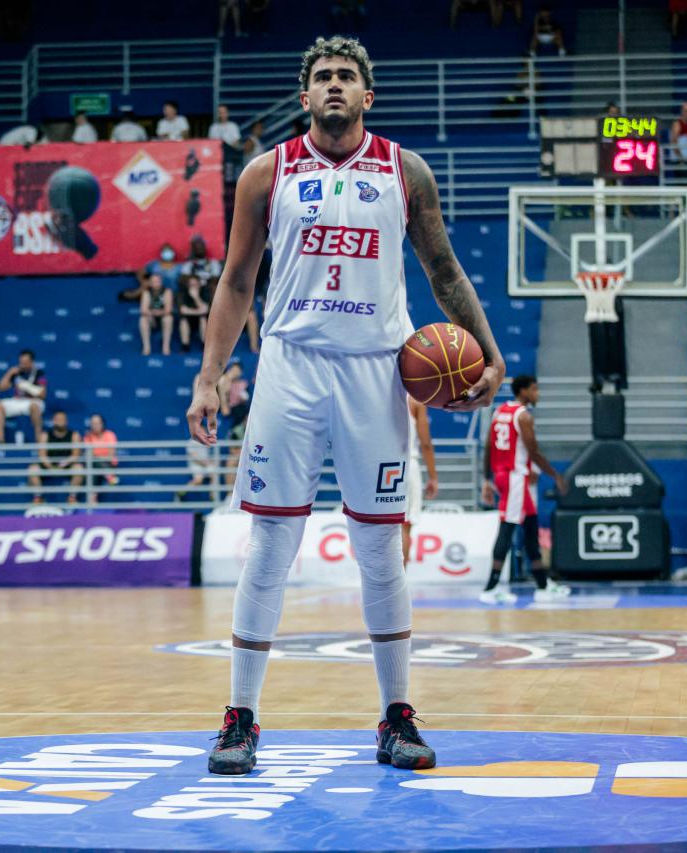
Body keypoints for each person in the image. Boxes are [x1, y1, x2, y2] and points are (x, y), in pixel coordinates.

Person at [186, 35, 505, 776]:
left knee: (379, 550)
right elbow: (236, 282)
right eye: (323, 77)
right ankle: (239, 719)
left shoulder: (406, 170)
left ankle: (397, 717)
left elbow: (444, 270)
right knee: (268, 546)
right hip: (289, 367)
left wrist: (489, 354)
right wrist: (210, 374)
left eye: (347, 77)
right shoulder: (267, 174)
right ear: (305, 97)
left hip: (376, 370)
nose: (334, 85)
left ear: (369, 95)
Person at [479, 375, 566, 605]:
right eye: (534, 390)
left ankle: (542, 585)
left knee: (530, 526)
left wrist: (486, 479)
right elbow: (534, 452)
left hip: (503, 476)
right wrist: (555, 475)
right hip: (514, 477)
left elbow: (488, 446)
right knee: (507, 530)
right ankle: (491, 587)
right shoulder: (524, 416)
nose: (537, 394)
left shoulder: (499, 412)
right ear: (524, 391)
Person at [401, 397, 439, 566]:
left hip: (381, 466)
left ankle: (380, 584)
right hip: (407, 465)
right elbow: (426, 443)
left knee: (383, 528)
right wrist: (433, 477)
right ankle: (397, 586)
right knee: (404, 527)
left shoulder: (378, 394)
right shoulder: (416, 401)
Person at [26, 410, 82, 503]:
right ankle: (38, 497)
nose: (60, 421)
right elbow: (42, 454)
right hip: (49, 465)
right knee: (33, 469)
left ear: (66, 421)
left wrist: (65, 463)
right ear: (53, 421)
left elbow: (75, 455)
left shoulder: (74, 435)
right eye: (58, 419)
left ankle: (72, 497)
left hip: (67, 465)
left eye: (62, 419)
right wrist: (50, 466)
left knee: (79, 468)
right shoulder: (45, 435)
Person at [0, 349, 48, 441]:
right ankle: (0, 440)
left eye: (25, 362)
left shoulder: (39, 373)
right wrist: (9, 373)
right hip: (18, 400)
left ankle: (39, 440)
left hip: (33, 401)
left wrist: (27, 387)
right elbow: (1, 387)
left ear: (31, 362)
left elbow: (43, 395)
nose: (22, 365)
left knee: (34, 406)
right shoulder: (17, 373)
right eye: (21, 362)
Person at [82, 413, 119, 505]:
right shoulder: (88, 437)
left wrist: (96, 456)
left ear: (102, 424)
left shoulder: (110, 435)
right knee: (93, 466)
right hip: (94, 464)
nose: (95, 426)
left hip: (108, 463)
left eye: (97, 423)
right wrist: (95, 457)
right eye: (93, 423)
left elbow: (110, 455)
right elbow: (88, 454)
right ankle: (109, 477)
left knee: (95, 464)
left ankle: (92, 499)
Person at [138, 272, 174, 356]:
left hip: (163, 316)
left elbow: (168, 309)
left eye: (158, 281)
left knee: (168, 318)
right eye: (154, 282)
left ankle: (166, 347)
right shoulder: (146, 292)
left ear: (161, 281)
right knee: (142, 319)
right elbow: (143, 309)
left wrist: (160, 312)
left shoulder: (167, 291)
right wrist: (153, 313)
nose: (156, 283)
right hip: (151, 317)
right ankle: (146, 347)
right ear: (150, 283)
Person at [178, 274, 211, 351]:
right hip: (188, 319)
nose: (193, 286)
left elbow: (206, 310)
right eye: (191, 285)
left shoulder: (204, 292)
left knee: (203, 319)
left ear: (199, 284)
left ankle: (204, 345)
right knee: (183, 321)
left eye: (195, 284)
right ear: (188, 285)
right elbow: (182, 310)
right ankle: (185, 346)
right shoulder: (183, 293)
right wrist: (199, 311)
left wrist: (196, 297)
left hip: (201, 319)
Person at [669, 102, 687, 169]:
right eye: (686, 111)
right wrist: (681, 159)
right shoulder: (677, 124)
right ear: (682, 111)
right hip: (679, 162)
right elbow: (674, 142)